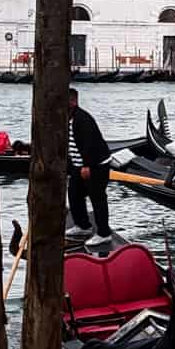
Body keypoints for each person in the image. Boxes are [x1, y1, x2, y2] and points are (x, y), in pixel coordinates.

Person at [67, 87, 113, 243]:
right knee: (74, 194)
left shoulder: (83, 119)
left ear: (73, 102)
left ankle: (104, 234)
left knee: (97, 197)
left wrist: (87, 166)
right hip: (78, 166)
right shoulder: (67, 118)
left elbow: (90, 144)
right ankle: (83, 225)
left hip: (96, 165)